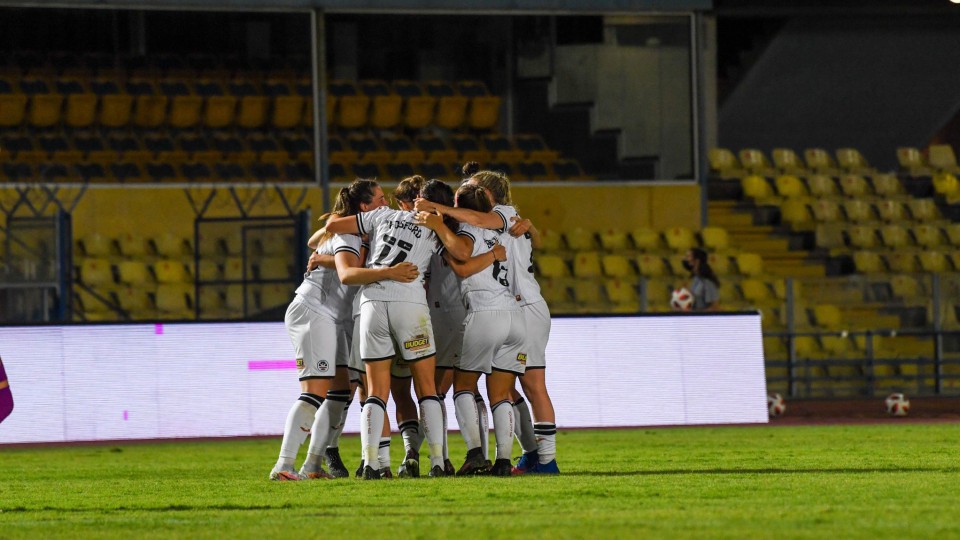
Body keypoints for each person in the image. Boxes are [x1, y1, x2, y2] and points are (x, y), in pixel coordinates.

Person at [269, 179, 417, 481]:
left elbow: (316, 243)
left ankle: (312, 465)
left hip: (335, 318)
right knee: (314, 392)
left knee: (339, 393)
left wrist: (324, 253)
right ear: (364, 207)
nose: (385, 204)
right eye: (379, 199)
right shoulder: (350, 233)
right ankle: (284, 465)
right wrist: (389, 272)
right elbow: (348, 274)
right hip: (315, 311)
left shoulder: (356, 231)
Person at [415, 165, 560, 475]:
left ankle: (540, 460)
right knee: (506, 391)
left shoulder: (499, 216)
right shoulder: (502, 224)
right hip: (514, 310)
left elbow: (465, 258)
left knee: (526, 386)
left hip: (517, 307)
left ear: (488, 194)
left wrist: (436, 216)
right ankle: (523, 457)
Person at [324, 183, 449, 479]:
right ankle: (437, 461)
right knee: (426, 389)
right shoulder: (436, 225)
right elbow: (460, 251)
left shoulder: (381, 215)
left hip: (372, 301)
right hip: (409, 301)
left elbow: (331, 225)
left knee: (375, 392)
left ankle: (370, 464)